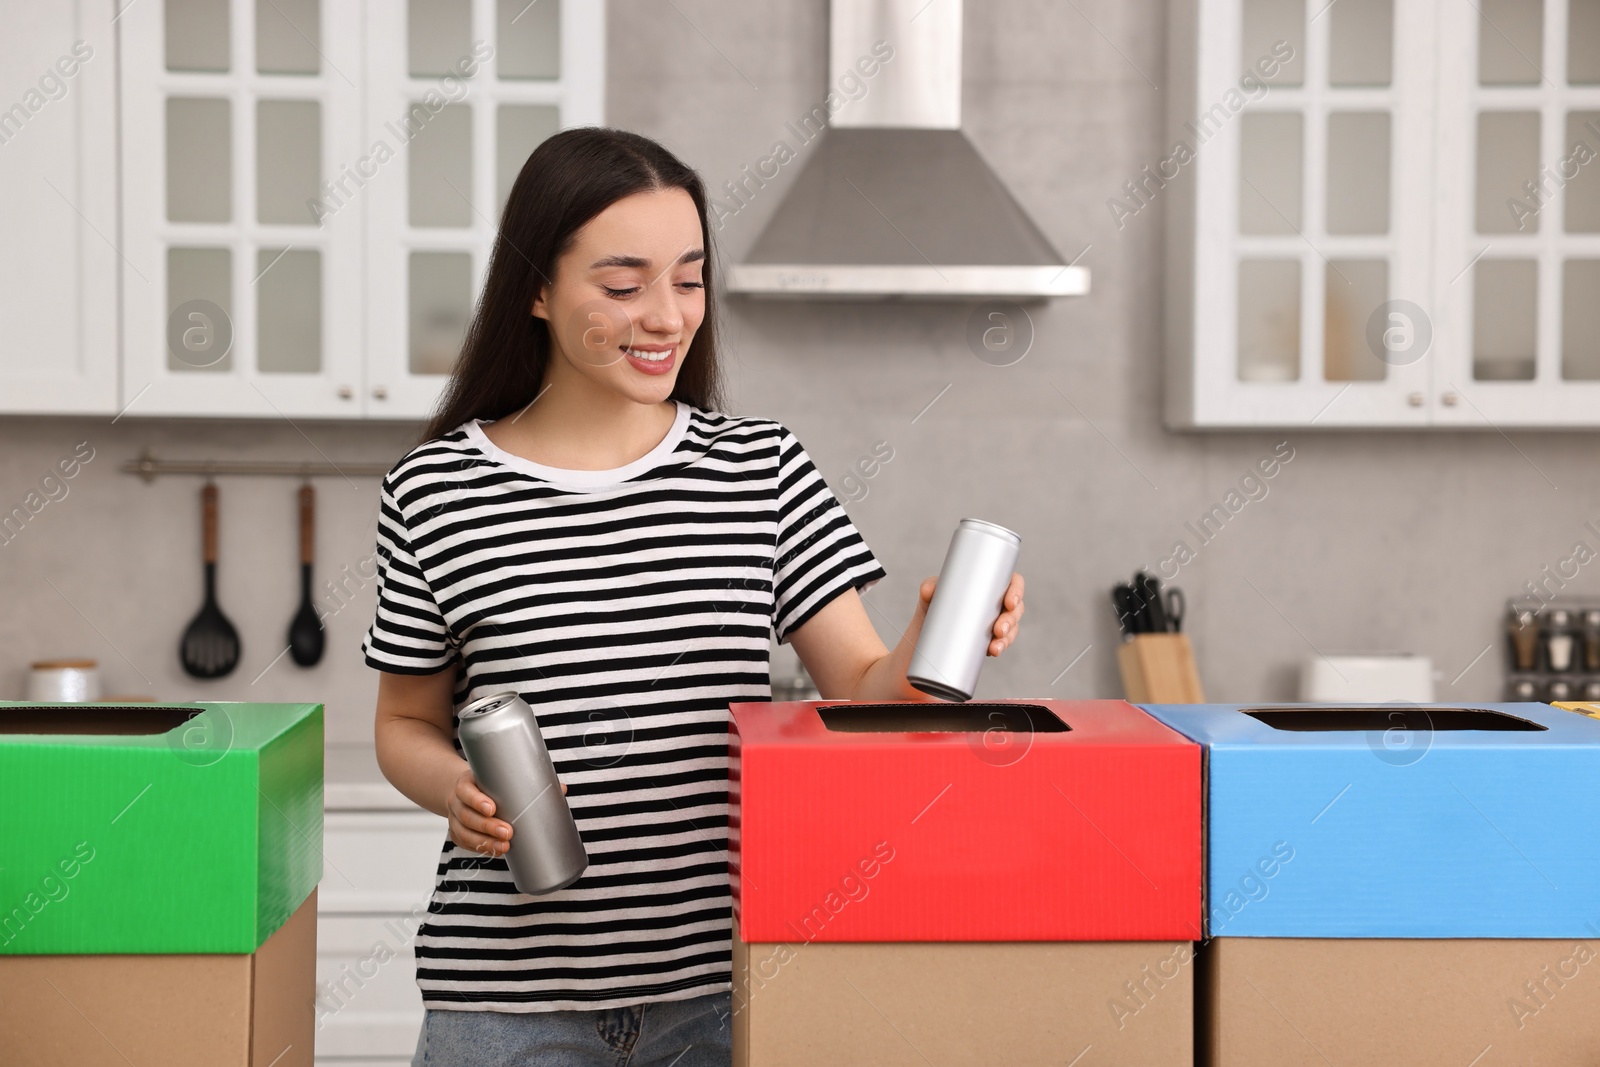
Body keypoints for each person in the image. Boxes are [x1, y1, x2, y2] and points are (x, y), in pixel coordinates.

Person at [363, 126, 1026, 1067]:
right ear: (537, 290)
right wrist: (454, 786)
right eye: (625, 286)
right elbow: (402, 722)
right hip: (505, 1003)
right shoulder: (436, 490)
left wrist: (940, 630)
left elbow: (865, 689)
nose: (669, 317)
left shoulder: (760, 468)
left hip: (719, 994)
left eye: (689, 277)